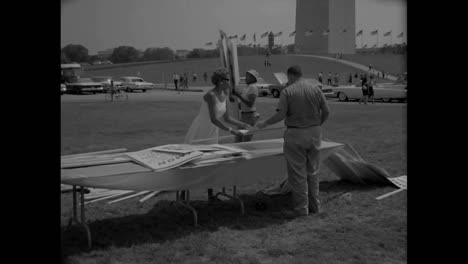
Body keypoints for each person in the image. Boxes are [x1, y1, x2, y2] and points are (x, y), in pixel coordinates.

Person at [256, 65, 330, 217]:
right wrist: (317, 125)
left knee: (298, 174)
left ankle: (302, 209)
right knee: (313, 171)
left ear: (290, 76)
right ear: (301, 74)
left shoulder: (287, 92)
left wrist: (264, 123)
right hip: (315, 133)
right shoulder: (316, 89)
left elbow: (280, 115)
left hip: (295, 134)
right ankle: (315, 206)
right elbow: (326, 112)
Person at [184, 68, 253, 201]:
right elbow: (214, 118)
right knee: (192, 161)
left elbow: (227, 118)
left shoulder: (225, 94)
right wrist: (232, 131)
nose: (230, 82)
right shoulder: (210, 95)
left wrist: (242, 125)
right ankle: (183, 192)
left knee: (210, 160)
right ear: (220, 81)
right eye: (228, 80)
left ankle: (210, 194)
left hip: (212, 131)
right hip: (201, 129)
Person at [232, 69, 260, 142]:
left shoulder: (253, 87)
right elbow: (244, 103)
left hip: (249, 116)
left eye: (247, 76)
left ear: (253, 78)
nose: (245, 78)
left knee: (245, 140)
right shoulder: (247, 87)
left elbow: (250, 104)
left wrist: (238, 96)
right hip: (244, 115)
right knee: (238, 139)